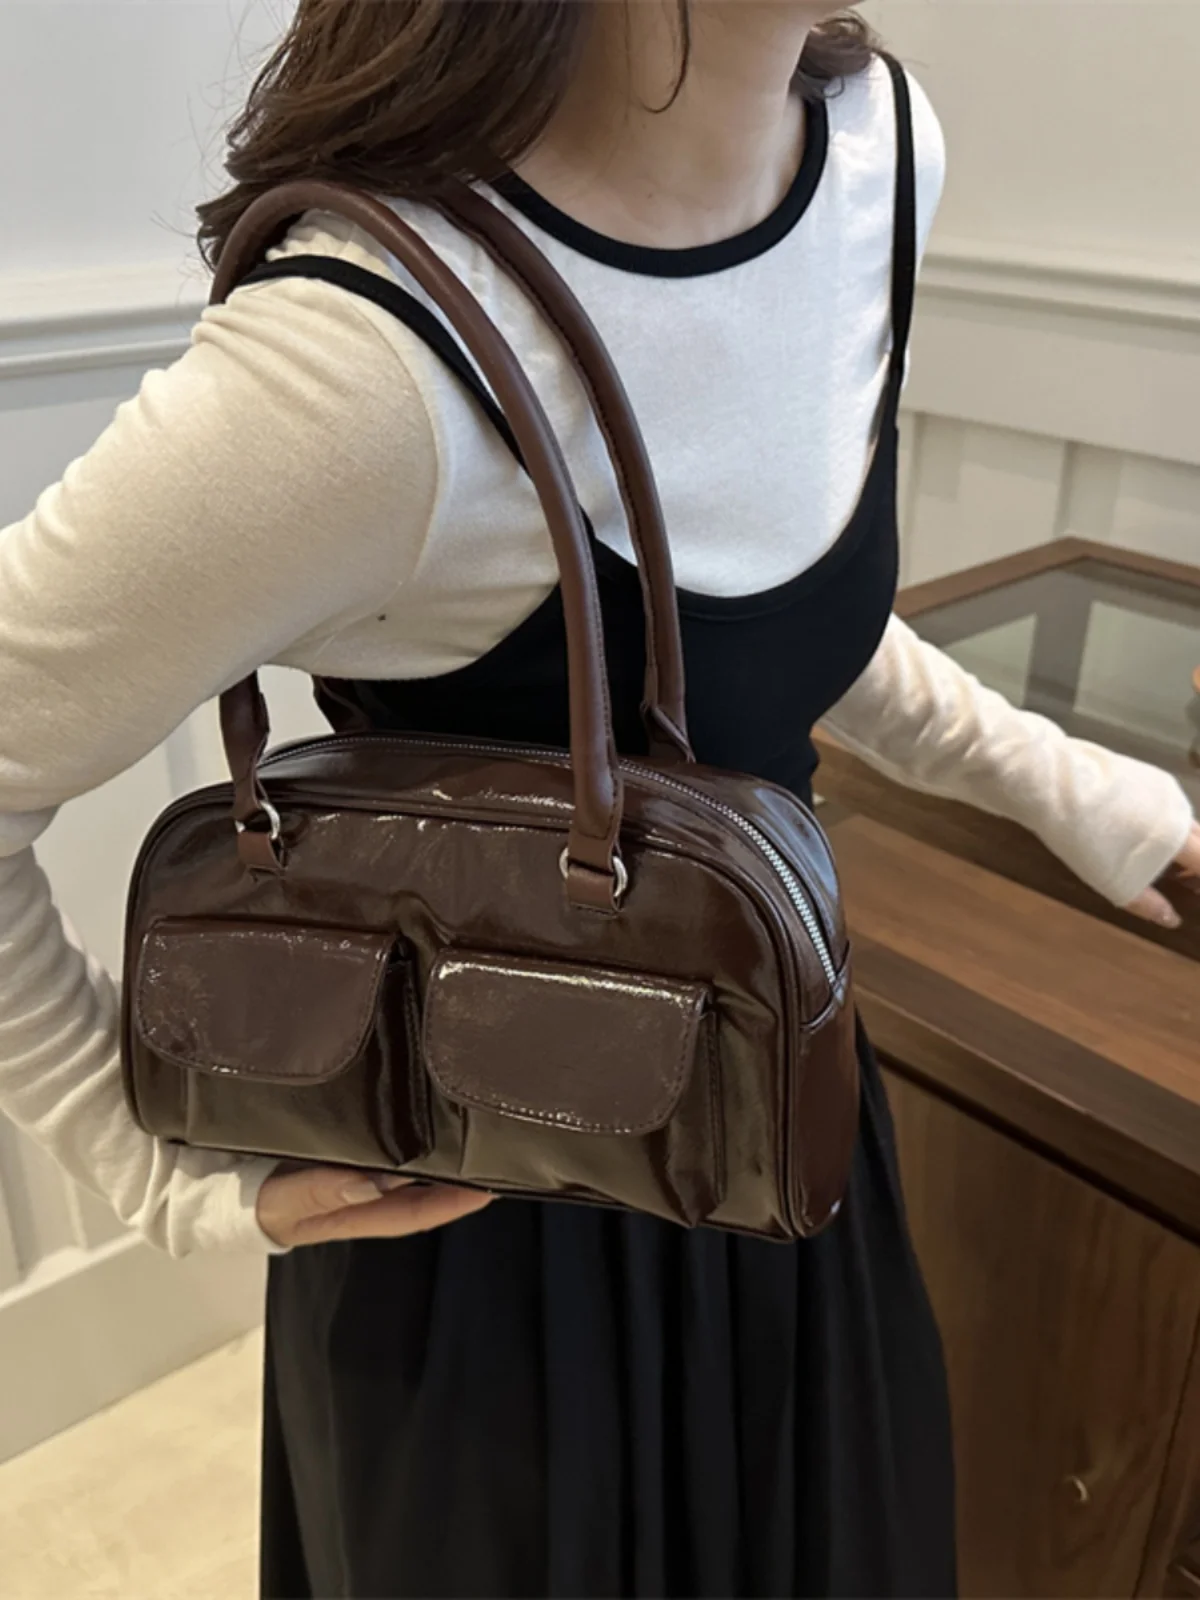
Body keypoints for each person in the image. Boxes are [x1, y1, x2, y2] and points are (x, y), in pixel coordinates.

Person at [1, 2, 1196, 1595]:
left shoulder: (883, 157)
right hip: (483, 1246)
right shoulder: (366, 362)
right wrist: (160, 1179)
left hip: (780, 1134)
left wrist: (1083, 794)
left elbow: (764, 615)